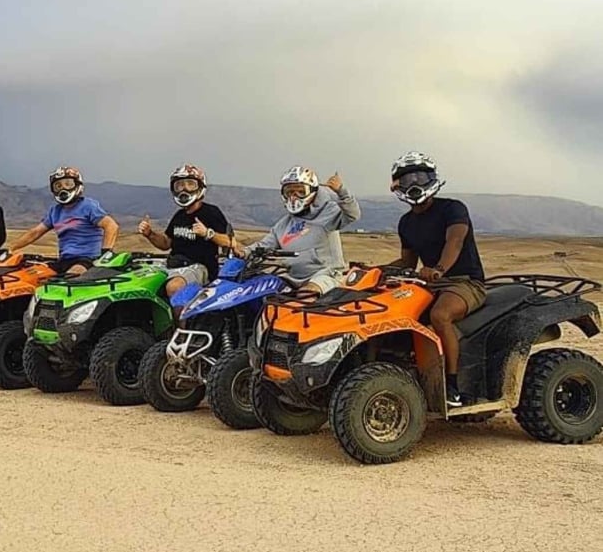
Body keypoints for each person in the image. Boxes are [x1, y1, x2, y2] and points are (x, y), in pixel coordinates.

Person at [385, 152, 487, 408]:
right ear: (397, 185)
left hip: (465, 282)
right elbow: (408, 262)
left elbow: (455, 241)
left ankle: (452, 387)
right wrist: (376, 270)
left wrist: (439, 269)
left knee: (440, 315)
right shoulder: (406, 223)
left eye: (420, 177)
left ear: (432, 178)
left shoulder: (452, 209)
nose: (414, 183)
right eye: (407, 179)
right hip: (431, 284)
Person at [244, 167, 360, 295]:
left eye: (301, 191)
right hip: (292, 277)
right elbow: (264, 245)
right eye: (289, 192)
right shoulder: (283, 224)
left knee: (305, 296)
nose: (294, 197)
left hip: (325, 275)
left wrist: (341, 191)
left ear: (313, 191)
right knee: (260, 291)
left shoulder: (328, 212)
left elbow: (352, 215)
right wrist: (243, 252)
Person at [137, 164, 234, 298]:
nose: (185, 189)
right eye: (179, 185)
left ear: (200, 186)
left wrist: (207, 233)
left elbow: (229, 242)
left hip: (200, 267)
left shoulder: (211, 212)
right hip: (174, 265)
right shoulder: (179, 215)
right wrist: (149, 234)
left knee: (174, 287)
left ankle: (181, 313)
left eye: (190, 184)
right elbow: (166, 243)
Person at [8, 166, 120, 275]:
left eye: (68, 184)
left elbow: (111, 226)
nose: (63, 189)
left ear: (77, 185)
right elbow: (35, 232)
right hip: (64, 260)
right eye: (58, 186)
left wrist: (106, 253)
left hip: (88, 259)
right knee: (31, 276)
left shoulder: (88, 206)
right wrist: (11, 249)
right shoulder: (55, 211)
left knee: (70, 277)